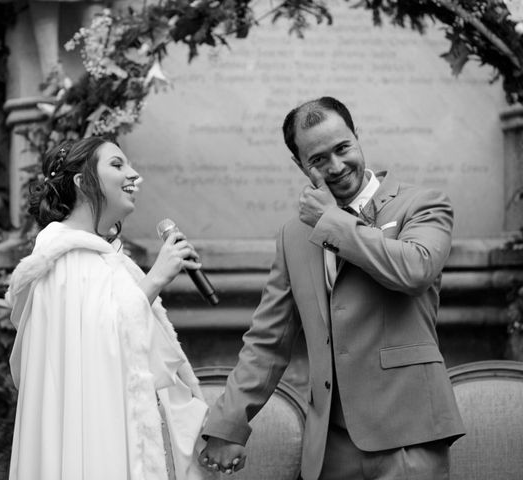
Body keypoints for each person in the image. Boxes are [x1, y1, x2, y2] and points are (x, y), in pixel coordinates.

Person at [199, 96, 465, 480]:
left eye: (343, 148)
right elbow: (267, 342)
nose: (336, 167)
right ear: (300, 165)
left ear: (357, 137)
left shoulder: (423, 204)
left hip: (410, 436)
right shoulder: (293, 235)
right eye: (318, 159)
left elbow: (415, 270)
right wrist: (227, 425)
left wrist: (330, 221)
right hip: (329, 448)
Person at [5, 136, 208, 480]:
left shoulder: (104, 260)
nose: (134, 174)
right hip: (92, 442)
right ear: (83, 182)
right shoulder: (61, 259)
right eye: (117, 165)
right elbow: (94, 356)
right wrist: (155, 278)